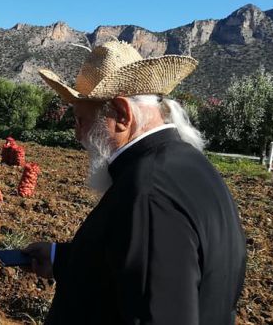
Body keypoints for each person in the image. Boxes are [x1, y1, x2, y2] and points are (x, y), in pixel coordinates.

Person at [23, 41, 246, 324]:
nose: (78, 135)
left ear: (121, 114)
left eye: (82, 121)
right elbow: (139, 263)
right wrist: (59, 258)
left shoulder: (149, 192)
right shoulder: (187, 165)